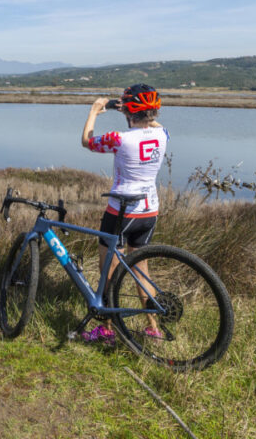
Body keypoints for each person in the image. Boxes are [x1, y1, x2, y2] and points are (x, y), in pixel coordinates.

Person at [80, 83, 169, 344]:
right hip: (148, 211)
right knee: (142, 271)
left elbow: (86, 141)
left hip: (121, 212)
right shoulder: (163, 134)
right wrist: (132, 112)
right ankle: (153, 328)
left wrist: (95, 110)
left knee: (108, 271)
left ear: (130, 110)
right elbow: (149, 124)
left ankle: (106, 329)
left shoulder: (121, 139)